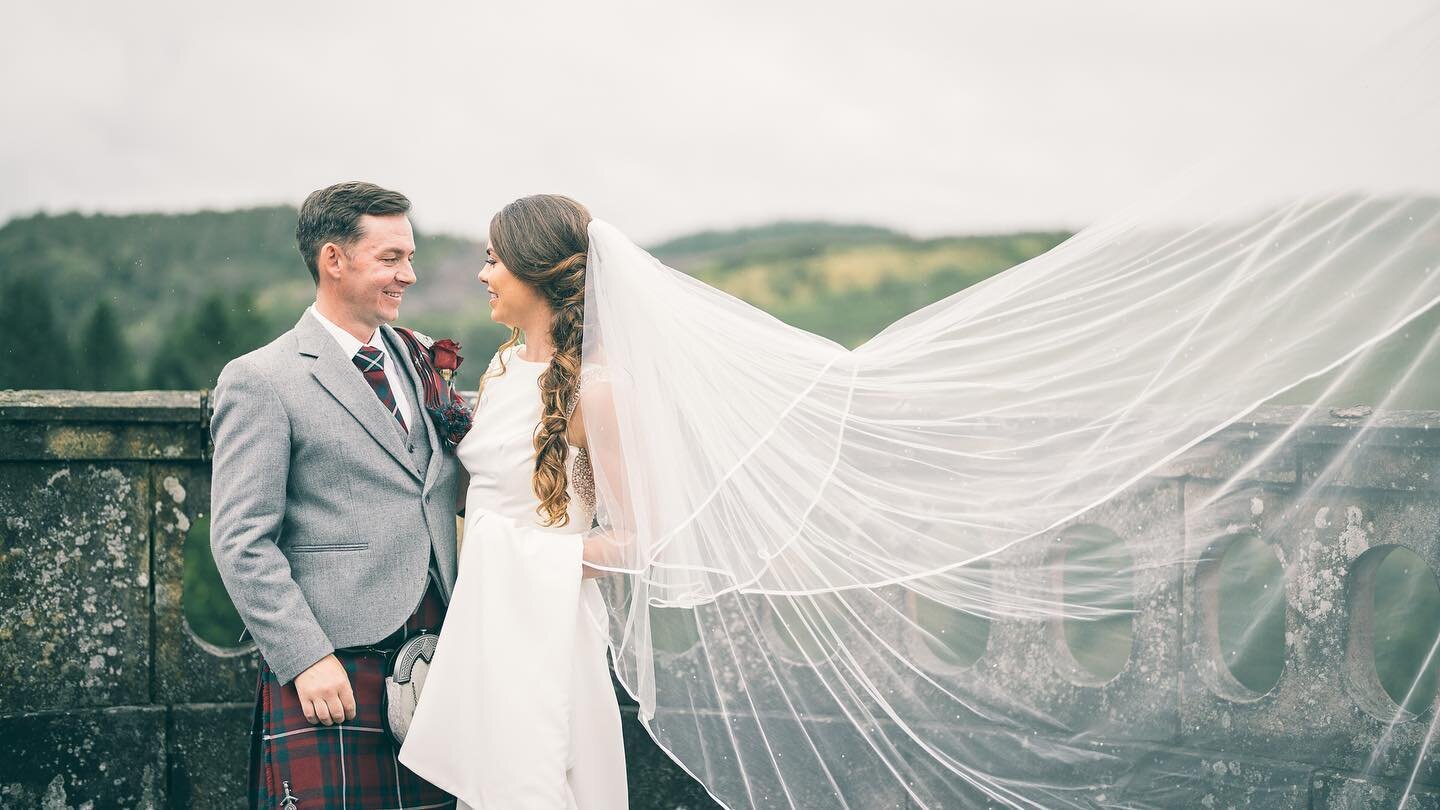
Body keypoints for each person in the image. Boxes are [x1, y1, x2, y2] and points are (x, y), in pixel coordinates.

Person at [210, 181, 464, 809]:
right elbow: (242, 540)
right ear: (333, 259)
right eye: (390, 259)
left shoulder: (420, 359)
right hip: (334, 662)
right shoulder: (262, 379)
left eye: (409, 256)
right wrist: (303, 657)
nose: (409, 274)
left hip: (440, 647)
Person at [400, 194, 628, 809]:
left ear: (537, 271)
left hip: (551, 631)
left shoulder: (597, 389)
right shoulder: (502, 367)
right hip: (488, 624)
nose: (482, 275)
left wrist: (529, 561)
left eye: (495, 259)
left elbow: (639, 541)